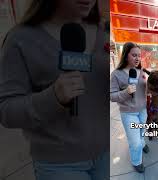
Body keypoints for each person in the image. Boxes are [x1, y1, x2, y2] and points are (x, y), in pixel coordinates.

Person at [0, 0, 108, 180]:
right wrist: (53, 98)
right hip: (59, 163)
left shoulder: (104, 32)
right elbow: (6, 109)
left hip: (106, 154)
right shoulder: (20, 39)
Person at [110, 42, 149, 173]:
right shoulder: (116, 74)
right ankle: (136, 161)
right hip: (128, 114)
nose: (137, 58)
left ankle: (143, 143)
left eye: (139, 55)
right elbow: (112, 96)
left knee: (141, 134)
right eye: (134, 55)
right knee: (135, 143)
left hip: (143, 110)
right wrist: (126, 92)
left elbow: (144, 89)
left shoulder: (141, 71)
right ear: (126, 55)